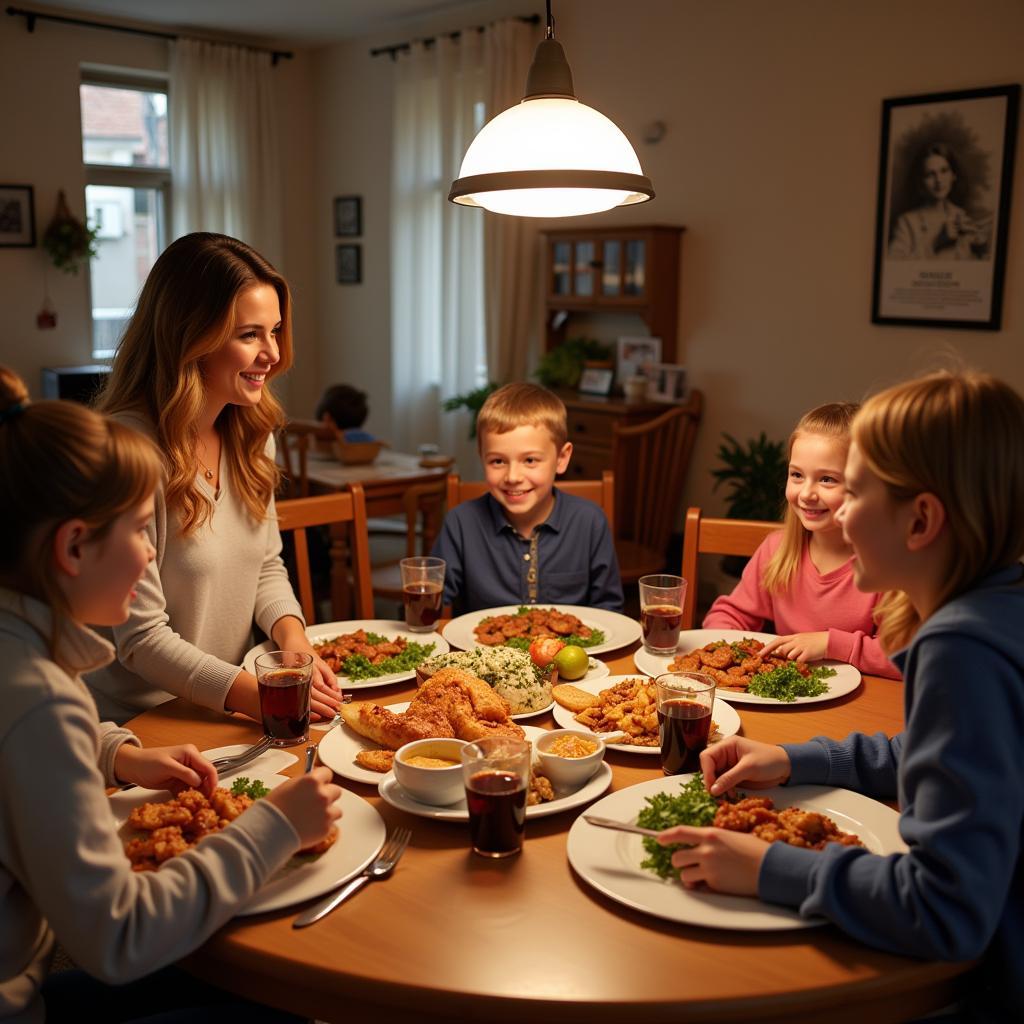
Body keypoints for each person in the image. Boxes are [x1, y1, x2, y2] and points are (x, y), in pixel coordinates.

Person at [657, 370, 1024, 1022]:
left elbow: (946, 912)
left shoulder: (964, 650)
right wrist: (796, 760)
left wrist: (769, 867)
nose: (837, 511)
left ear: (921, 520)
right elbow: (934, 750)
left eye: (854, 490)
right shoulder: (998, 607)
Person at [0, 367, 341, 1022]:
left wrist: (115, 754)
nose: (152, 556)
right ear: (73, 546)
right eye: (140, 532)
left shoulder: (20, 657)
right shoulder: (44, 701)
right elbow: (118, 938)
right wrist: (276, 826)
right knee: (291, 1003)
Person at [86, 232, 343, 725]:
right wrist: (265, 695)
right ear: (190, 337)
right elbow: (141, 640)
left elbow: (266, 567)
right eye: (249, 335)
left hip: (234, 706)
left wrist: (295, 643)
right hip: (144, 726)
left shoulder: (252, 434)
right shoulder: (127, 453)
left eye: (276, 330)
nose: (273, 353)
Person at [704, 402, 899, 678]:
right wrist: (734, 652)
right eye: (797, 475)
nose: (806, 493)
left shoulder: (891, 565)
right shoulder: (777, 549)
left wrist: (831, 644)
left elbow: (907, 656)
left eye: (827, 480)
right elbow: (728, 615)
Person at [432, 382, 623, 614]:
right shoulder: (461, 523)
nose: (513, 477)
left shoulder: (590, 521)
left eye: (530, 460)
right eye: (498, 461)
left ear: (562, 459)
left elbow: (610, 610)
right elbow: (433, 602)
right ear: (482, 458)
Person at [888, 142, 991, 260]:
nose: (939, 180)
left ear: (953, 175)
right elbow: (895, 269)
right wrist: (936, 243)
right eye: (930, 174)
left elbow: (966, 272)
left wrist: (980, 248)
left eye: (944, 171)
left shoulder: (960, 216)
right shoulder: (906, 222)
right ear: (920, 181)